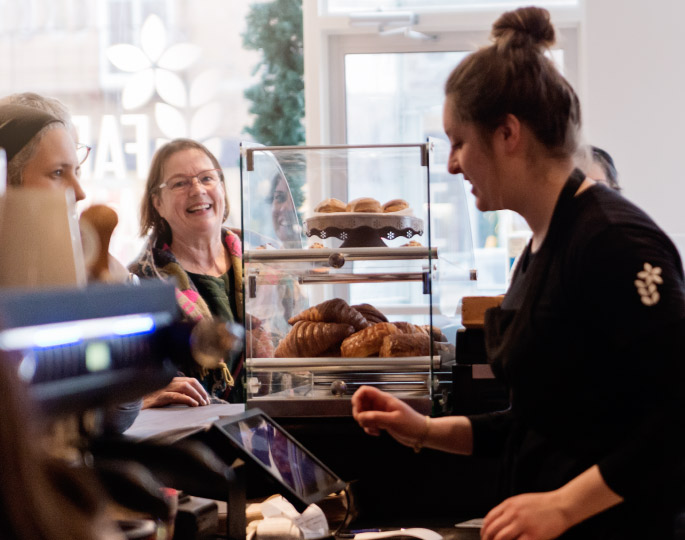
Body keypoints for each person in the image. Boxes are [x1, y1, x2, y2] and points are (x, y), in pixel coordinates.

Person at [352, 6, 684, 540]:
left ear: (508, 133)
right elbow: (537, 426)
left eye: (458, 141)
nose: (452, 164)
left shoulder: (614, 243)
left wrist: (562, 507)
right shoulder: (541, 244)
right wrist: (422, 429)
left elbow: (672, 424)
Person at [130, 138, 273, 405]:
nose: (197, 189)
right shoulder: (137, 285)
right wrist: (143, 396)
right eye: (180, 183)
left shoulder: (269, 263)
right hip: (195, 440)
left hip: (279, 427)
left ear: (222, 188)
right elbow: (119, 385)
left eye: (207, 178)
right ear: (157, 203)